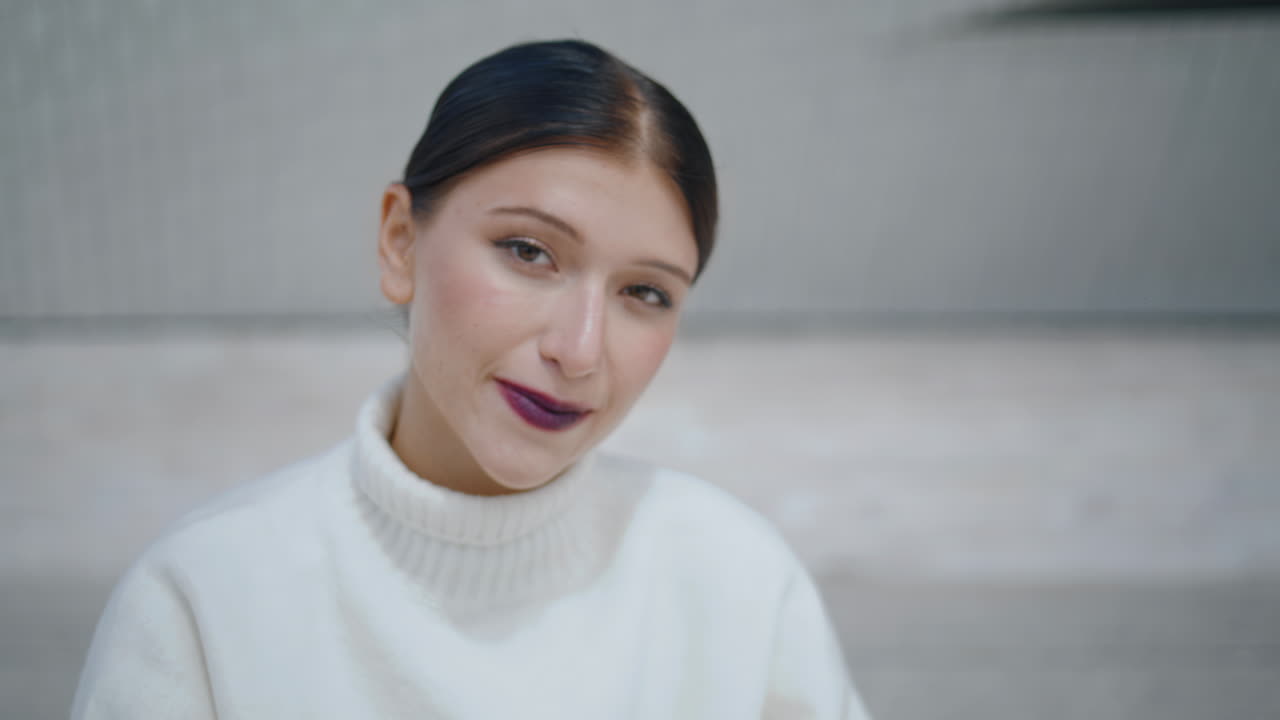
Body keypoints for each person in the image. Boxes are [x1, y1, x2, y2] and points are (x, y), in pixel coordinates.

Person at [71, 39, 872, 719]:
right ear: (400, 242)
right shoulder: (204, 599)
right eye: (529, 251)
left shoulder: (739, 587)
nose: (579, 350)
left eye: (645, 293)